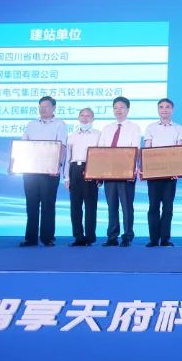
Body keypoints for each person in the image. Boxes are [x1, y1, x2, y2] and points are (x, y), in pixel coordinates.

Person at [19, 95, 68, 247]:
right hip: (30, 170)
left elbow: (62, 146)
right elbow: (23, 146)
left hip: (49, 171)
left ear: (53, 108)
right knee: (31, 204)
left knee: (48, 204)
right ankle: (30, 238)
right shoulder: (31, 124)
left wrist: (58, 165)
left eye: (46, 106)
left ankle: (47, 238)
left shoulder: (60, 124)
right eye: (41, 106)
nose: (43, 109)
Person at [97, 96, 141, 247]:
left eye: (122, 107)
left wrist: (132, 170)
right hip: (109, 172)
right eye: (116, 107)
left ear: (127, 110)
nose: (118, 110)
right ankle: (112, 236)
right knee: (112, 206)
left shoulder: (134, 127)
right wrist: (99, 173)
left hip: (125, 172)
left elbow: (135, 149)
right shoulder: (107, 128)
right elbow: (100, 151)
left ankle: (127, 236)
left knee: (127, 206)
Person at [142, 98, 182, 247]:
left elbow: (180, 151)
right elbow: (147, 149)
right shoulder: (151, 128)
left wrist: (178, 169)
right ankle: (153, 239)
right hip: (154, 174)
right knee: (153, 206)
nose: (164, 109)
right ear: (158, 110)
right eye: (161, 107)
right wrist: (146, 168)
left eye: (167, 107)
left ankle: (165, 239)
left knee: (168, 207)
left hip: (171, 175)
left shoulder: (178, 128)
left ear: (172, 110)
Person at [65, 107, 100, 246]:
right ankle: (78, 237)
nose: (85, 118)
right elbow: (68, 158)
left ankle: (90, 237)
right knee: (75, 206)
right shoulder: (72, 136)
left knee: (90, 206)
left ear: (93, 119)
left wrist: (99, 176)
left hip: (91, 169)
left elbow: (102, 156)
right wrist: (66, 177)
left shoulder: (98, 135)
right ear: (78, 118)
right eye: (82, 115)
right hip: (74, 169)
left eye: (88, 116)